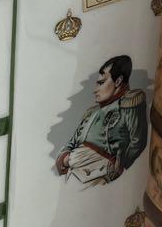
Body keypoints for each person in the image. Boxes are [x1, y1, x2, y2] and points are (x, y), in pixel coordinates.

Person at [56, 55, 146, 186]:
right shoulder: (91, 112)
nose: (95, 90)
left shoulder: (128, 103)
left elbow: (138, 141)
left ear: (118, 81)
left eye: (101, 83)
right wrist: (66, 159)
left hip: (100, 172)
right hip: (73, 171)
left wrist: (120, 165)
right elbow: (73, 141)